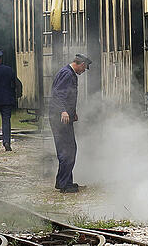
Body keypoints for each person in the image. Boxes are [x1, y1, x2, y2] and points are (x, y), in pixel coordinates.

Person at [49, 53, 91, 193]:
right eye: (84, 68)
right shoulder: (67, 74)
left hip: (64, 117)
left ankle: (66, 182)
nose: (84, 71)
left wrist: (72, 112)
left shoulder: (69, 73)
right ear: (81, 64)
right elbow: (57, 94)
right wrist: (63, 111)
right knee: (67, 150)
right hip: (59, 118)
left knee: (69, 149)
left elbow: (67, 96)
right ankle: (63, 184)